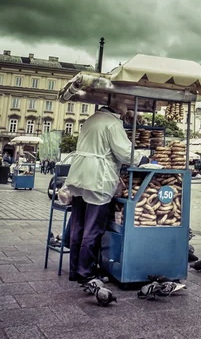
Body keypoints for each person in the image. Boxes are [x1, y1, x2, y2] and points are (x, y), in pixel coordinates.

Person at [65, 98, 132, 282]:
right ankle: (85, 272)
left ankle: (73, 270)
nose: (125, 115)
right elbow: (125, 153)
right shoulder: (112, 123)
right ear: (119, 110)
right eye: (125, 111)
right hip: (98, 179)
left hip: (79, 176)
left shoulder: (91, 119)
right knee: (93, 228)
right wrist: (141, 157)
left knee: (78, 224)